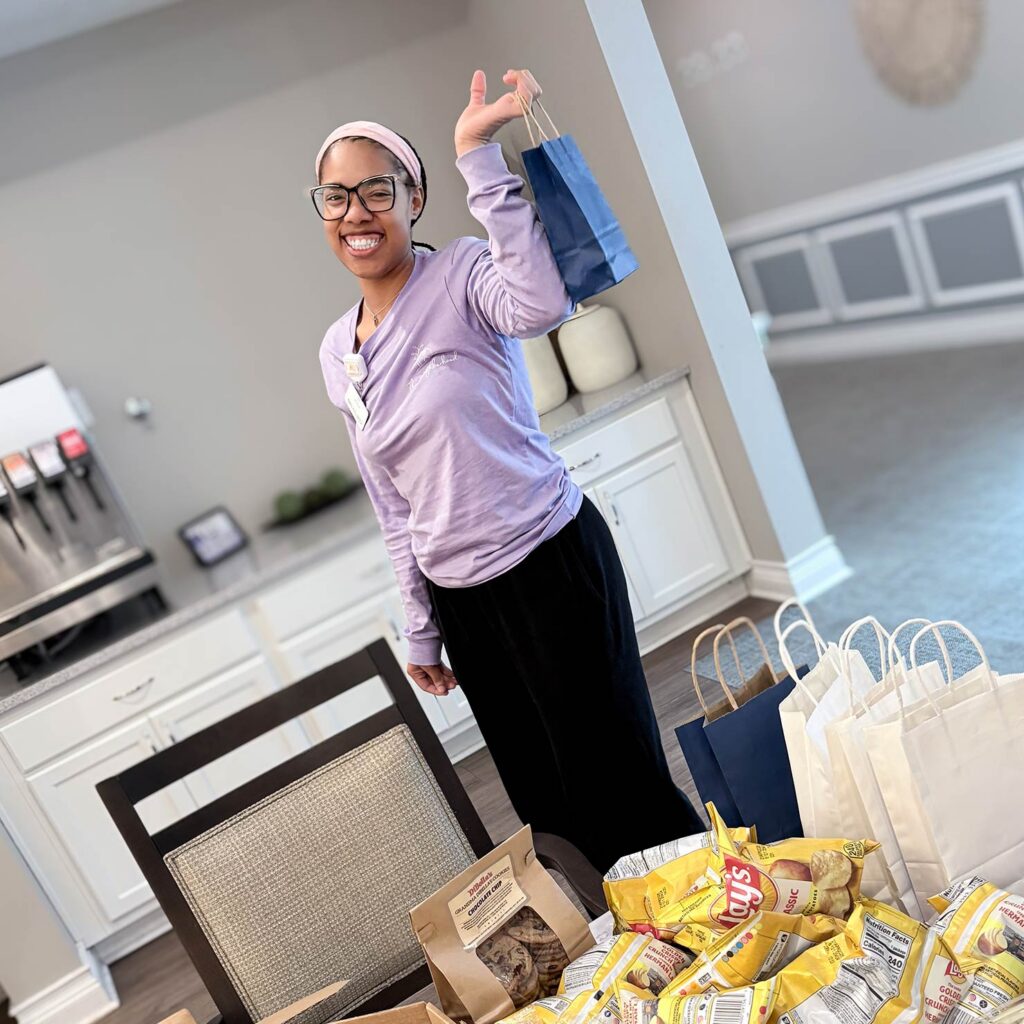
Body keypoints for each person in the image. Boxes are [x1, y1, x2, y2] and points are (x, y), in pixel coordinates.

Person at [313, 67, 703, 868]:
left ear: (412, 199)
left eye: (377, 190)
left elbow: (539, 306)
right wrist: (420, 626)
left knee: (618, 780)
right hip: (468, 608)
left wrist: (475, 155)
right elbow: (394, 501)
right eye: (336, 196)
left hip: (550, 564)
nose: (357, 212)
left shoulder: (457, 273)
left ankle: (717, 936)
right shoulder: (334, 349)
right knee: (548, 810)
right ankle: (628, 971)